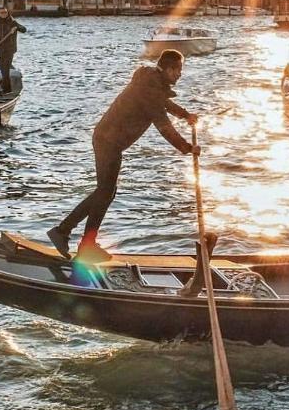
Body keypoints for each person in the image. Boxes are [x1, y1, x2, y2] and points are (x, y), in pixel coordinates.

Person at [47, 49, 199, 263]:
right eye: (177, 70)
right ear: (166, 68)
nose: (179, 75)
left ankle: (74, 238)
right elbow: (163, 125)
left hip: (110, 141)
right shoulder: (151, 88)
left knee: (106, 192)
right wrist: (186, 147)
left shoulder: (151, 82)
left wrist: (185, 115)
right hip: (108, 141)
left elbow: (164, 103)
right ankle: (69, 235)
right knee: (105, 192)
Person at [0, 6, 26, 95]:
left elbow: (24, 29)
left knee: (5, 69)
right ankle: (6, 88)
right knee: (3, 69)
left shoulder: (12, 22)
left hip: (10, 49)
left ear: (8, 13)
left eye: (5, 12)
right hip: (0, 49)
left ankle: (7, 90)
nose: (4, 14)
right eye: (2, 13)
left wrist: (16, 28)